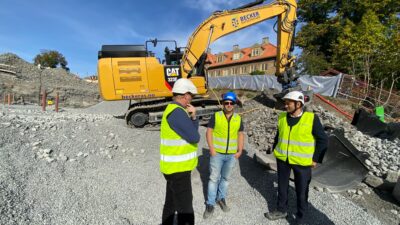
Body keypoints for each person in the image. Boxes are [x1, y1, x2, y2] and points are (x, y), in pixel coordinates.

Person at [264, 91, 328, 224]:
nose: (285, 105)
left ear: (298, 104)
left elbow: (323, 140)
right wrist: (275, 148)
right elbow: (279, 135)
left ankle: (300, 218)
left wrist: (315, 159)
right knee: (282, 186)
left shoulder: (311, 118)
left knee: (302, 191)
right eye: (285, 102)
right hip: (283, 159)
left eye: (288, 103)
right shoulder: (282, 117)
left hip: (302, 162)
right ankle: (281, 210)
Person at [160, 78, 200, 225]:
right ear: (186, 95)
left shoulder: (172, 110)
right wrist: (194, 117)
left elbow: (187, 134)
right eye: (192, 96)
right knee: (185, 209)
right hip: (179, 170)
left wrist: (191, 117)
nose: (192, 99)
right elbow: (195, 137)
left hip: (172, 168)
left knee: (171, 202)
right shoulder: (177, 112)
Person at [203, 91, 244, 219]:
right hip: (217, 154)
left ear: (234, 104)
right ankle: (210, 204)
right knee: (213, 179)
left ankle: (221, 198)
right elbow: (209, 132)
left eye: (231, 103)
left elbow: (240, 134)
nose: (229, 105)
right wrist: (211, 149)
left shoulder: (238, 118)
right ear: (223, 104)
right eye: (226, 102)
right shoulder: (216, 116)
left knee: (225, 179)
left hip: (231, 155)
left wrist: (240, 150)